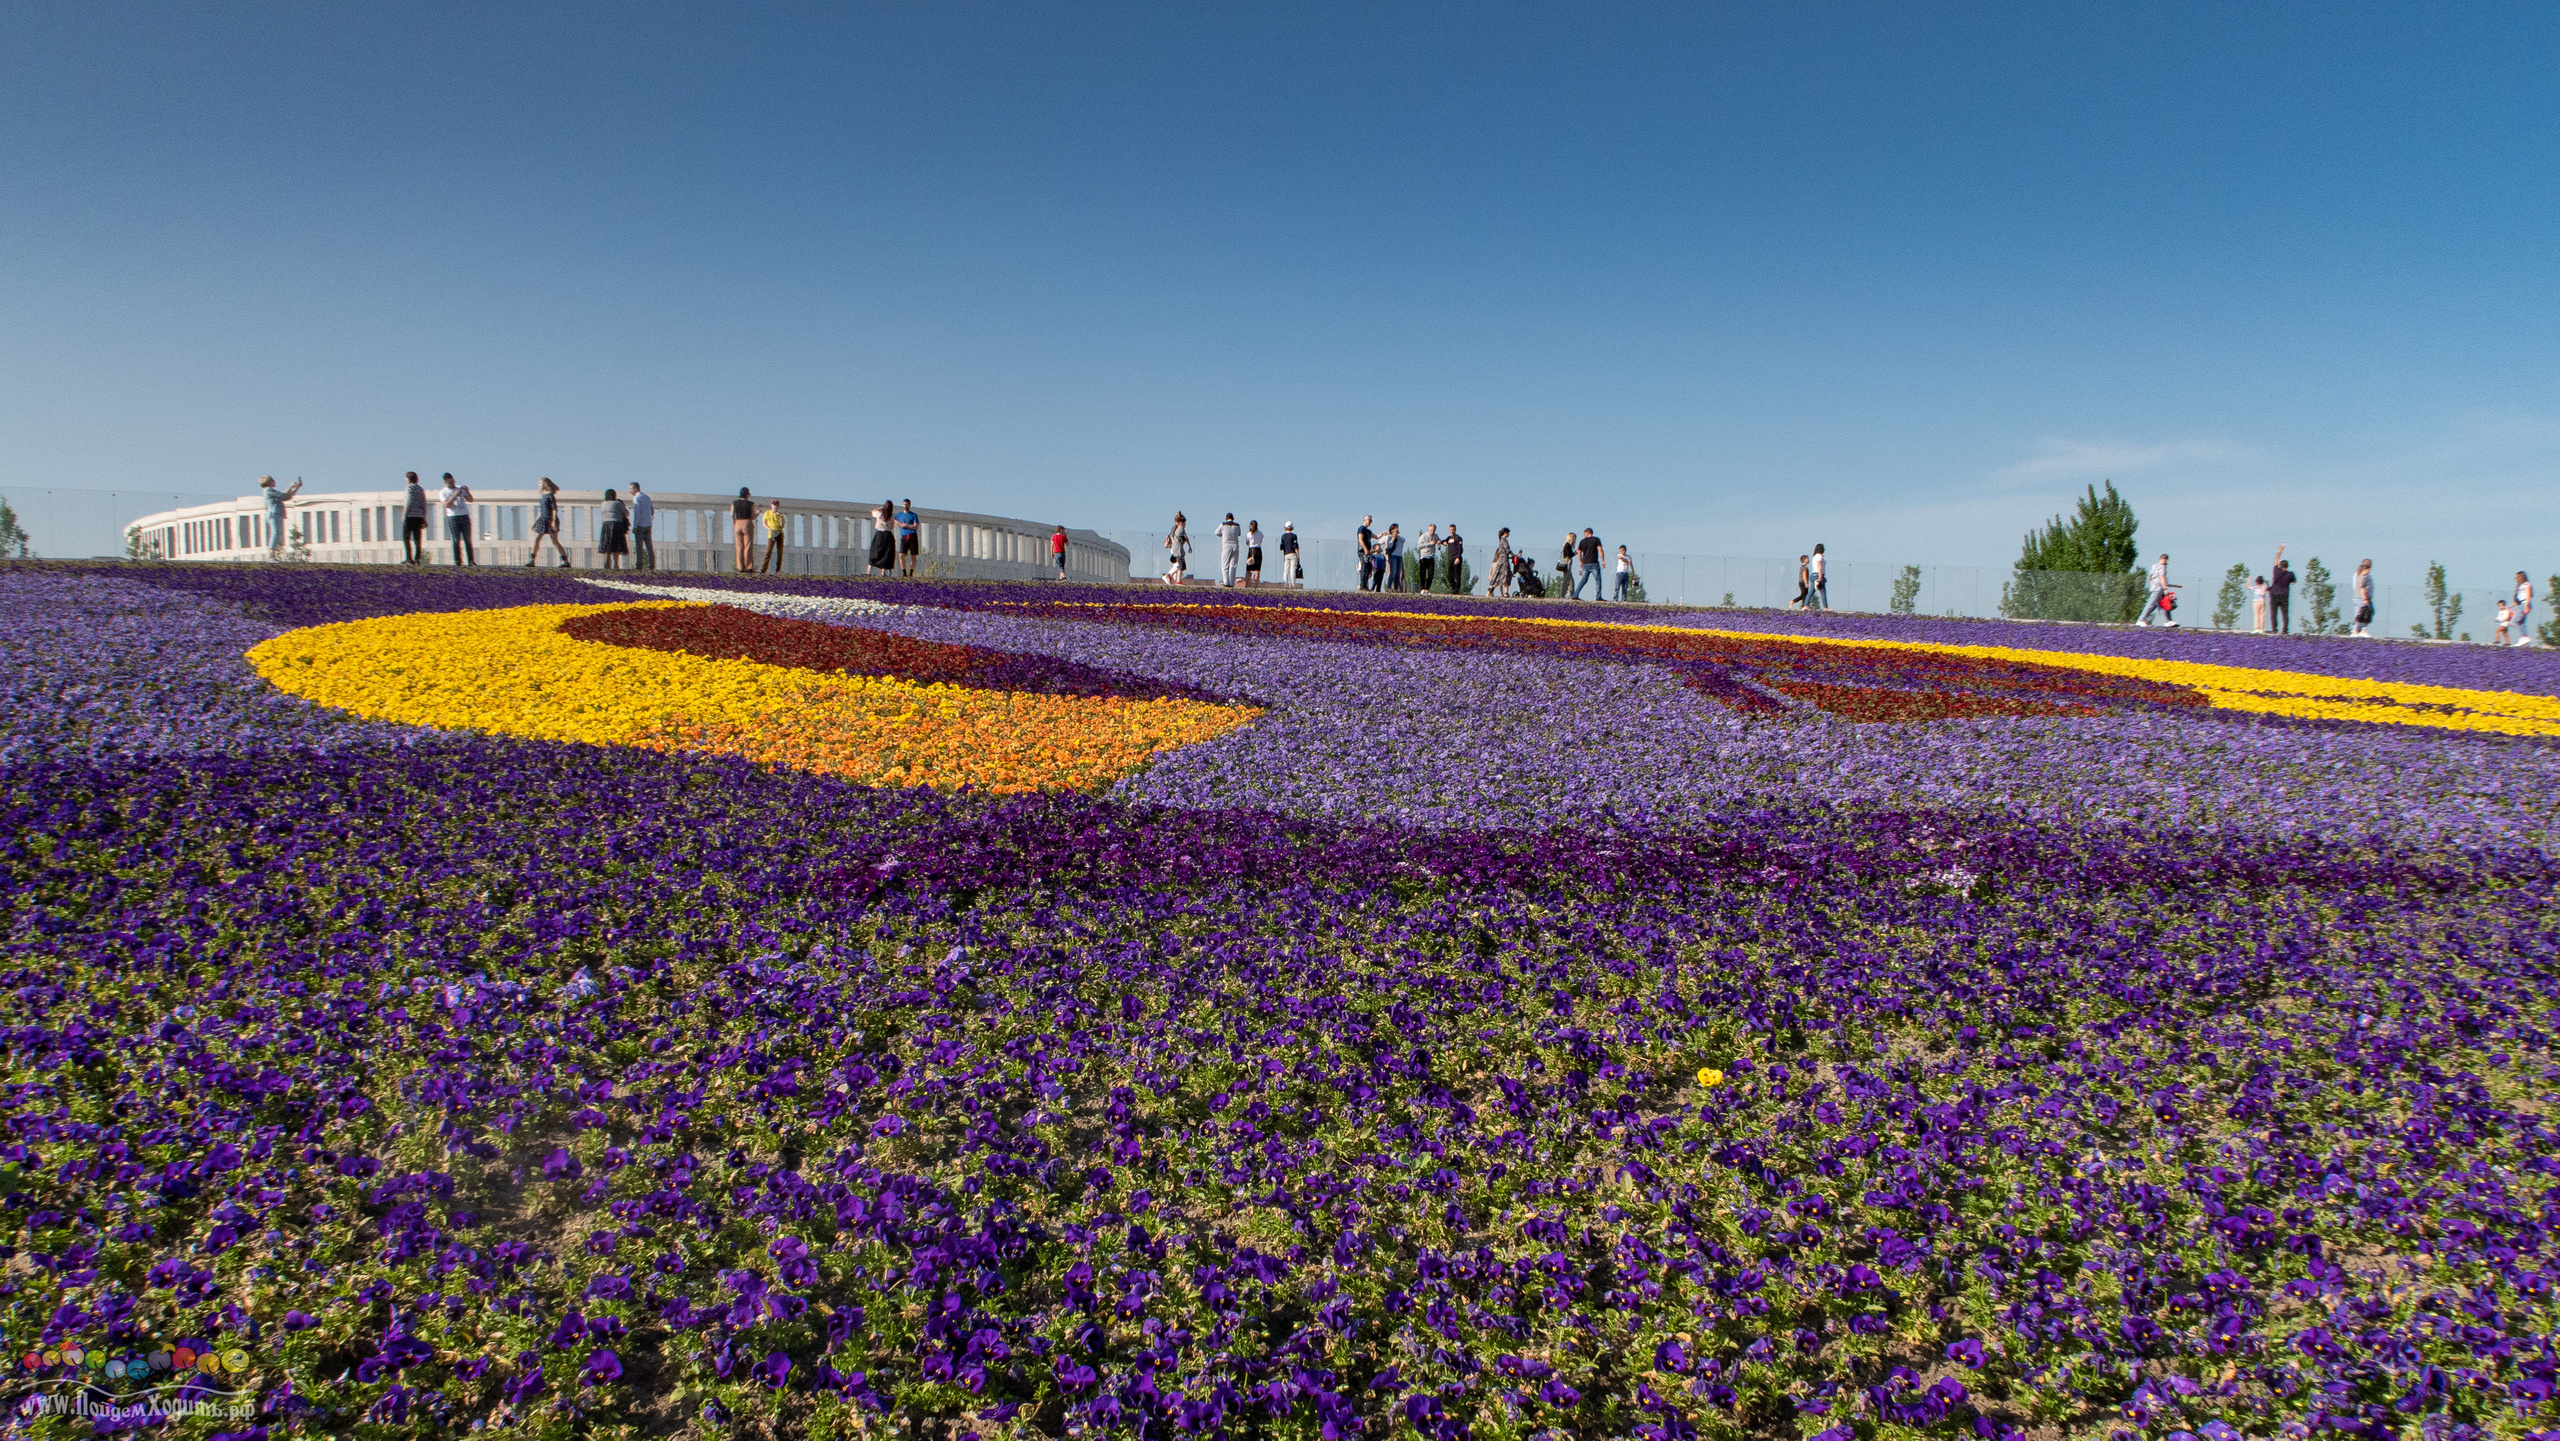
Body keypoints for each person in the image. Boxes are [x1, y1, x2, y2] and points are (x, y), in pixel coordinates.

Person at [528, 478, 570, 567]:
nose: (539, 484)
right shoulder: (543, 496)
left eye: (540, 482)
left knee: (555, 541)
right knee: (537, 539)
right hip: (542, 520)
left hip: (550, 520)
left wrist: (553, 521)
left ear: (545, 484)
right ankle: (532, 560)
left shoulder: (550, 495)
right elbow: (541, 511)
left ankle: (565, 560)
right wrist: (535, 523)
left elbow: (554, 509)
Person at [259, 475, 304, 559]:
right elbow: (285, 496)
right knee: (275, 533)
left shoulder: (270, 491)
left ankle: (272, 555)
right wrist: (291, 487)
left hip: (276, 513)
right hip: (273, 513)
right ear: (268, 482)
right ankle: (271, 556)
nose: (274, 482)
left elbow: (287, 496)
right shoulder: (268, 490)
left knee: (278, 534)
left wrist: (296, 487)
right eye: (273, 480)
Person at [2133, 552, 2178, 627]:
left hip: (2154, 587)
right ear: (2166, 559)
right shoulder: (2162, 567)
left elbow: (2150, 577)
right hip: (2158, 588)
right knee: (2150, 604)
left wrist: (2151, 585)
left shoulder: (2154, 566)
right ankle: (2140, 620)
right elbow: (2162, 577)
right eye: (2166, 561)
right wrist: (2165, 589)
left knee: (2161, 605)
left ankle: (2167, 621)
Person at [440, 473, 475, 566]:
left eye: (452, 481)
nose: (452, 483)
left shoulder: (459, 488)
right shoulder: (443, 492)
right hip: (453, 517)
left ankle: (471, 561)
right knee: (456, 539)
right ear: (445, 482)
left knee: (467, 539)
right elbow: (447, 505)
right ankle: (457, 561)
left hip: (464, 515)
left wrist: (467, 491)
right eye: (449, 482)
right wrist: (455, 496)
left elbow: (471, 499)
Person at [598, 488, 630, 571]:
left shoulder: (603, 504)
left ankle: (606, 564)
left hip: (606, 525)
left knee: (606, 546)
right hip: (616, 525)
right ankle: (616, 564)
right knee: (616, 546)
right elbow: (627, 513)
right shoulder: (618, 503)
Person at [400, 472, 428, 564]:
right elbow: (423, 504)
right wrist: (424, 517)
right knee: (417, 538)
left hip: (410, 516)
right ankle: (417, 558)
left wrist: (404, 514)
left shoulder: (409, 488)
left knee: (406, 537)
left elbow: (409, 502)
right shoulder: (420, 489)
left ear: (408, 479)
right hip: (419, 516)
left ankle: (409, 558)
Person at [629, 481, 655, 570]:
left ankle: (639, 565)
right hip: (648, 524)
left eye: (631, 489)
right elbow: (652, 510)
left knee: (639, 547)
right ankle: (651, 564)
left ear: (635, 488)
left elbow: (637, 513)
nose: (630, 491)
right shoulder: (647, 497)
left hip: (640, 525)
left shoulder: (637, 498)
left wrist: (635, 526)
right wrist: (650, 521)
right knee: (649, 546)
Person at [2268, 546, 2294, 634]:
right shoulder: (2290, 574)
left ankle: (2274, 629)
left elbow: (2275, 560)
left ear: (2280, 565)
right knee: (2285, 614)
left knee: (2274, 613)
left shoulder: (2276, 571)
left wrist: (2280, 551)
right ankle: (2285, 630)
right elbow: (2294, 581)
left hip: (2274, 594)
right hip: (2284, 595)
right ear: (2287, 566)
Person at [730, 488, 757, 572]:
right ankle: (748, 566)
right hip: (747, 523)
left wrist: (734, 523)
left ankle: (740, 567)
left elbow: (731, 514)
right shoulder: (751, 504)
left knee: (739, 546)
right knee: (748, 545)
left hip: (737, 523)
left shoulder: (734, 503)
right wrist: (758, 513)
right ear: (747, 494)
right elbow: (753, 516)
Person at [869, 499, 897, 575]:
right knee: (886, 553)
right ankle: (883, 571)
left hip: (880, 534)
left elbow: (872, 512)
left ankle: (869, 570)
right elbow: (892, 527)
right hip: (888, 534)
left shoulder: (879, 514)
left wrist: (880, 508)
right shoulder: (891, 516)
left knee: (875, 551)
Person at [759, 498, 786, 573]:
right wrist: (769, 529)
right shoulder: (767, 513)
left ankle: (778, 569)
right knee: (768, 551)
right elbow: (764, 523)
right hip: (772, 533)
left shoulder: (780, 514)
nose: (775, 506)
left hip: (779, 533)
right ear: (771, 505)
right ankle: (763, 569)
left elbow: (782, 525)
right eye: (774, 505)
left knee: (780, 552)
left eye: (777, 505)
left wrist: (780, 518)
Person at [1216, 513, 1242, 586]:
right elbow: (1239, 534)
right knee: (1233, 565)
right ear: (1233, 518)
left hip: (1226, 546)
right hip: (1235, 545)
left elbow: (1216, 532)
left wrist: (1222, 534)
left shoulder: (1223, 524)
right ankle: (1231, 582)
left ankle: (1226, 582)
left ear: (1226, 518)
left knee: (1224, 565)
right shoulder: (1237, 525)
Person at [1576, 528, 1603, 600]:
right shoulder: (1596, 539)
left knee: (1583, 580)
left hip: (1585, 564)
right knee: (1598, 580)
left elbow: (1579, 552)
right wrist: (1603, 560)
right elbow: (1600, 550)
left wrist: (1581, 561)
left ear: (1586, 533)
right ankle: (1598, 596)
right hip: (1594, 563)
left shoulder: (1582, 541)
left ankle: (1575, 595)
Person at [896, 499, 921, 577]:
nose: (905, 506)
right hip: (904, 537)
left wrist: (906, 525)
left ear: (909, 505)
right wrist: (899, 524)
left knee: (913, 556)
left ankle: (911, 573)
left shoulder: (913, 515)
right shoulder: (899, 515)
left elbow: (915, 526)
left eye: (907, 504)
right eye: (904, 504)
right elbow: (893, 519)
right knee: (901, 555)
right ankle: (904, 572)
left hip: (912, 536)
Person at [2351, 559, 2375, 637]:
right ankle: (2362, 630)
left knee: (2359, 613)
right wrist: (2365, 599)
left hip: (2357, 597)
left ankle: (2356, 631)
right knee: (2365, 614)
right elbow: (2362, 588)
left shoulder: (2357, 574)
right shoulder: (2364, 576)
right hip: (2362, 598)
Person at [1487, 528, 1512, 597]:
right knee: (1505, 575)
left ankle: (1489, 591)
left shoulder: (1501, 540)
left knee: (1497, 576)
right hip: (1504, 562)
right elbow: (1507, 550)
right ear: (1505, 532)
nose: (1509, 534)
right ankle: (1506, 592)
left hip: (1502, 560)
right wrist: (1514, 555)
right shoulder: (1504, 540)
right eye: (1508, 533)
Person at [1415, 524, 1440, 593]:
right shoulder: (1423, 536)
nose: (1432, 531)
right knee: (1422, 573)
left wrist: (1438, 542)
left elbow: (1438, 540)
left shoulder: (1435, 536)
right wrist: (1429, 544)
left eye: (1434, 530)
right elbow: (1419, 546)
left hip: (1431, 557)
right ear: (1428, 529)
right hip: (1423, 557)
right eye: (1431, 530)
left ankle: (1427, 588)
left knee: (1431, 573)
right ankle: (1422, 588)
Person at [1355, 516, 1378, 591]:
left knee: (1368, 569)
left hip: (1368, 552)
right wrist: (1365, 548)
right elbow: (1360, 539)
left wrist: (1383, 534)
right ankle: (1362, 585)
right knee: (1364, 568)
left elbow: (1376, 537)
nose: (1370, 521)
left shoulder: (1368, 531)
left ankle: (1364, 585)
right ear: (1364, 520)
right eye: (1369, 520)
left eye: (1371, 520)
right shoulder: (1361, 529)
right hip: (1362, 551)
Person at [2515, 572, 2537, 647]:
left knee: (2515, 621)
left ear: (2522, 577)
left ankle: (2523, 637)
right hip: (2520, 604)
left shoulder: (2527, 584)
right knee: (2521, 623)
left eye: (2517, 577)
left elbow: (2528, 595)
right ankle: (2525, 643)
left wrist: (2527, 606)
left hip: (2524, 604)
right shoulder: (2520, 585)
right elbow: (2520, 596)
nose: (2516, 579)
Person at [1383, 524, 1406, 592]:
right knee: (1393, 572)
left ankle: (1396, 588)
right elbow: (1389, 546)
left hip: (1399, 556)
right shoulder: (1389, 538)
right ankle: (1389, 587)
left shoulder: (1400, 538)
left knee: (1398, 573)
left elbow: (1404, 540)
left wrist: (1397, 536)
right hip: (1393, 556)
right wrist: (1393, 538)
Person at [1443, 525, 1464, 594]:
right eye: (1450, 529)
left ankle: (1457, 590)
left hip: (1456, 558)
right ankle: (1454, 588)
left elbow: (1460, 549)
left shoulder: (1458, 538)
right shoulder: (1449, 538)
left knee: (1457, 575)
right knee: (1449, 576)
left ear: (1455, 530)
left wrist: (1458, 557)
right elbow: (1444, 541)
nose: (1451, 531)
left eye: (1453, 529)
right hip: (1450, 558)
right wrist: (1443, 542)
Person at [1808, 543, 1828, 610]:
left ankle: (1805, 605)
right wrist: (1820, 576)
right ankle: (1825, 607)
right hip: (1818, 574)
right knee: (1822, 591)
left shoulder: (1815, 556)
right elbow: (1819, 565)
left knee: (1811, 591)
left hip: (1813, 574)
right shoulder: (1819, 556)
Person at [1557, 532, 1577, 597]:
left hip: (1566, 561)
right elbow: (1569, 555)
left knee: (1570, 580)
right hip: (1567, 562)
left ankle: (1571, 594)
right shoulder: (1567, 545)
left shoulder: (1566, 545)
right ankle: (1564, 594)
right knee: (1567, 579)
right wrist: (1575, 553)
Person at [1243, 520, 1262, 585]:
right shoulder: (1260, 534)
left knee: (1248, 569)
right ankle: (1256, 585)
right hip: (1258, 550)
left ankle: (1246, 584)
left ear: (1250, 525)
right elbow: (1261, 541)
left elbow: (1247, 543)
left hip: (1251, 551)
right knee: (1257, 569)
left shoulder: (1249, 534)